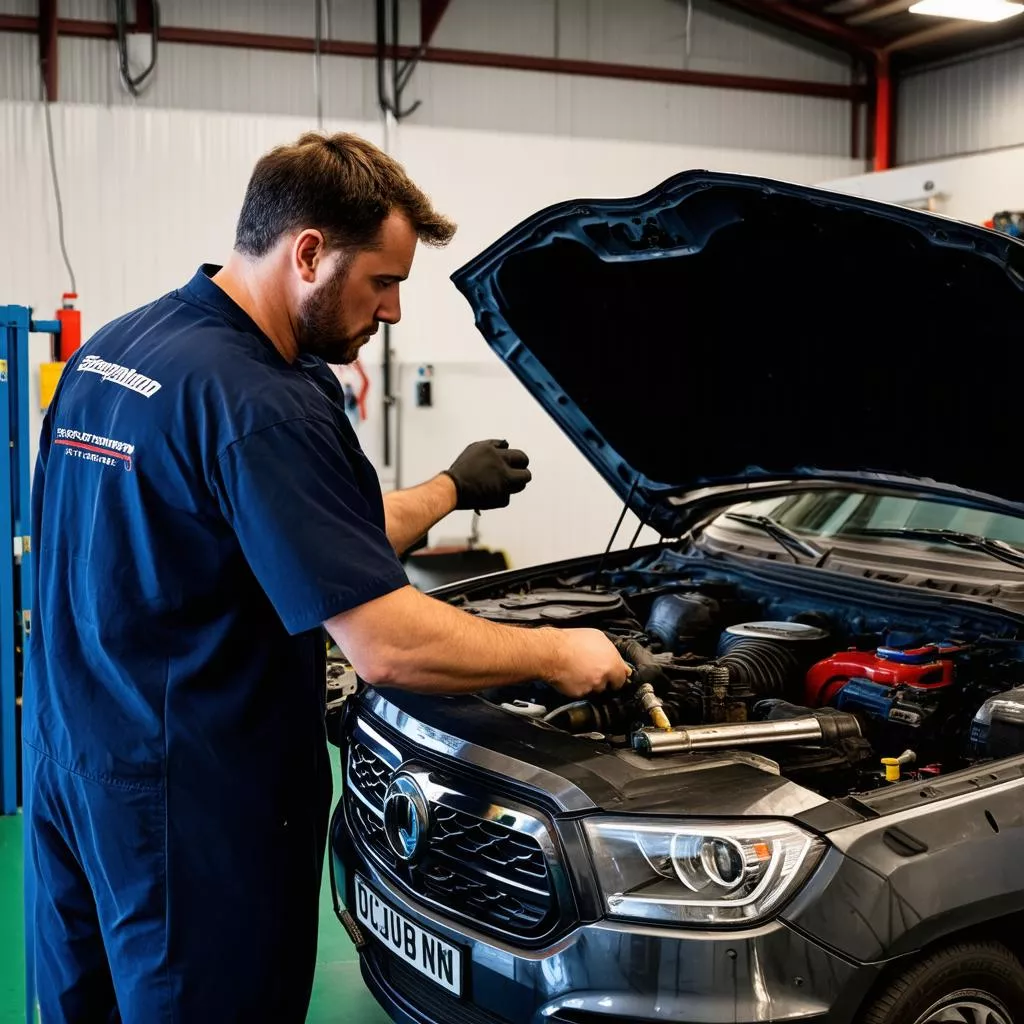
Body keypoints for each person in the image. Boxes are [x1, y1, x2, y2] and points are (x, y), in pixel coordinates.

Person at [22, 131, 629, 1023]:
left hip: (76, 770)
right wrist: (556, 653)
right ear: (308, 252)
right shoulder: (263, 399)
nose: (389, 313)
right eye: (382, 282)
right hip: (195, 814)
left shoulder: (119, 352)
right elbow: (384, 645)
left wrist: (452, 487)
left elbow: (288, 537)